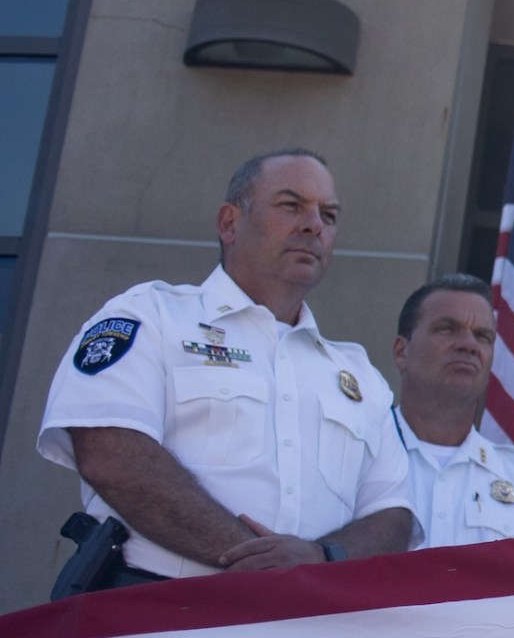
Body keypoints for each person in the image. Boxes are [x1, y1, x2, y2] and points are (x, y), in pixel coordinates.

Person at [38, 149, 416, 584]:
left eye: (328, 215)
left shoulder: (360, 377)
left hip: (308, 629)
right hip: (157, 613)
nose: (314, 225)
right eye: (291, 205)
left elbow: (392, 514)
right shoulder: (151, 317)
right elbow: (112, 455)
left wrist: (319, 561)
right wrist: (258, 564)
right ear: (229, 223)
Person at [388, 274, 514, 546]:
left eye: (482, 336)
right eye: (447, 329)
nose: (469, 345)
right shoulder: (355, 458)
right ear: (402, 352)